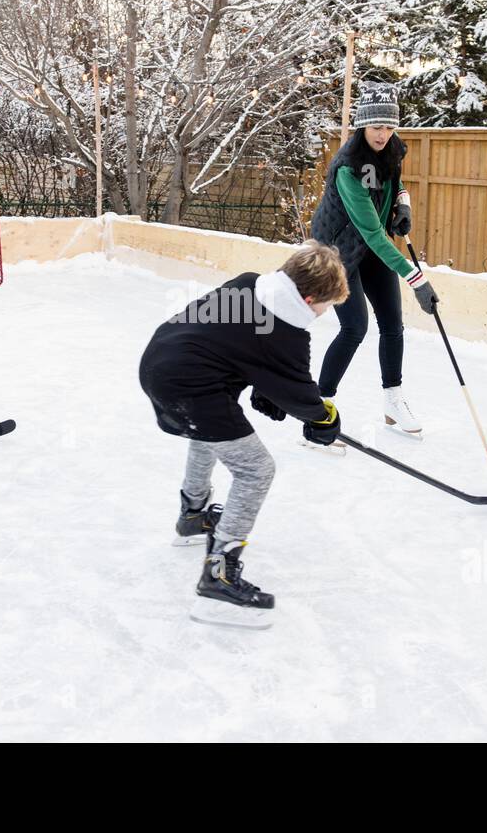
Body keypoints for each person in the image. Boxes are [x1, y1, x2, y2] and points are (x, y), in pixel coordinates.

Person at [139, 241, 350, 621]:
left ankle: (192, 514)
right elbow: (301, 393)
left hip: (160, 360)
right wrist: (323, 419)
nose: (324, 314)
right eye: (326, 306)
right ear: (308, 297)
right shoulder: (287, 331)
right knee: (256, 469)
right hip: (191, 386)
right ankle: (218, 574)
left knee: (208, 433)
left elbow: (233, 343)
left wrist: (267, 387)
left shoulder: (249, 283)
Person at [311, 82, 436, 437]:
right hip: (338, 253)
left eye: (389, 126)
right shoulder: (348, 168)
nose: (383, 134)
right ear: (363, 125)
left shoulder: (393, 150)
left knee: (393, 325)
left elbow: (395, 184)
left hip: (373, 247)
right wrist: (417, 279)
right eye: (376, 126)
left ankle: (393, 402)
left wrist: (404, 203)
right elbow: (372, 233)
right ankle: (318, 406)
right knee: (354, 328)